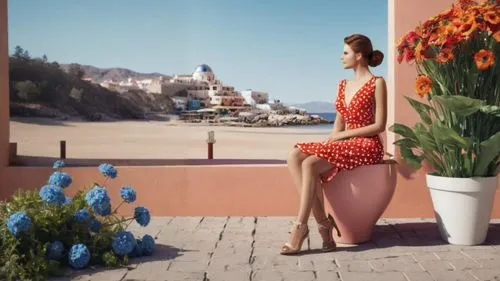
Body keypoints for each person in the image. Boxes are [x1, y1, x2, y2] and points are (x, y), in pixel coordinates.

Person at [280, 34, 387, 255]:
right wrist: (333, 140)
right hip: (345, 142)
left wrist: (342, 137)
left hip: (367, 145)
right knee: (295, 156)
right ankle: (324, 225)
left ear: (358, 56)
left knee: (309, 165)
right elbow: (338, 125)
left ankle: (300, 228)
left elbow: (379, 125)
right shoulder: (342, 85)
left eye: (345, 53)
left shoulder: (377, 83)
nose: (341, 57)